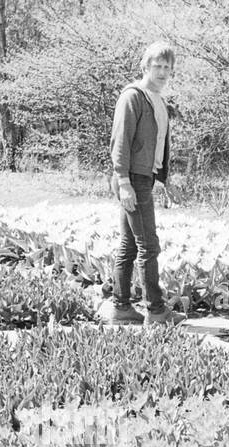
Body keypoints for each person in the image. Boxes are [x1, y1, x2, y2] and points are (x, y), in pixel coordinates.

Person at [100, 41, 180, 326]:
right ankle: (156, 311)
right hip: (131, 178)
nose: (161, 72)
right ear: (145, 67)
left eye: (166, 67)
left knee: (130, 245)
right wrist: (123, 181)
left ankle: (121, 307)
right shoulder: (133, 97)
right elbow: (119, 140)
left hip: (143, 177)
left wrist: (164, 179)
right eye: (156, 66)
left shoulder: (158, 100)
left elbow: (158, 145)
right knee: (149, 245)